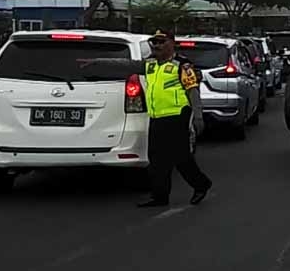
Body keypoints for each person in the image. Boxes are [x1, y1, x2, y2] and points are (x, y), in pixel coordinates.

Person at [81, 29, 212, 207]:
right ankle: (160, 196)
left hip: (177, 116)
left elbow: (193, 92)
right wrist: (96, 62)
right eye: (154, 42)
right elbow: (125, 65)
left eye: (161, 41)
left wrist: (198, 116)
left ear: (172, 43)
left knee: (181, 157)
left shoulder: (182, 66)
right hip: (157, 117)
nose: (157, 45)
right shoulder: (150, 64)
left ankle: (201, 184)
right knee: (157, 159)